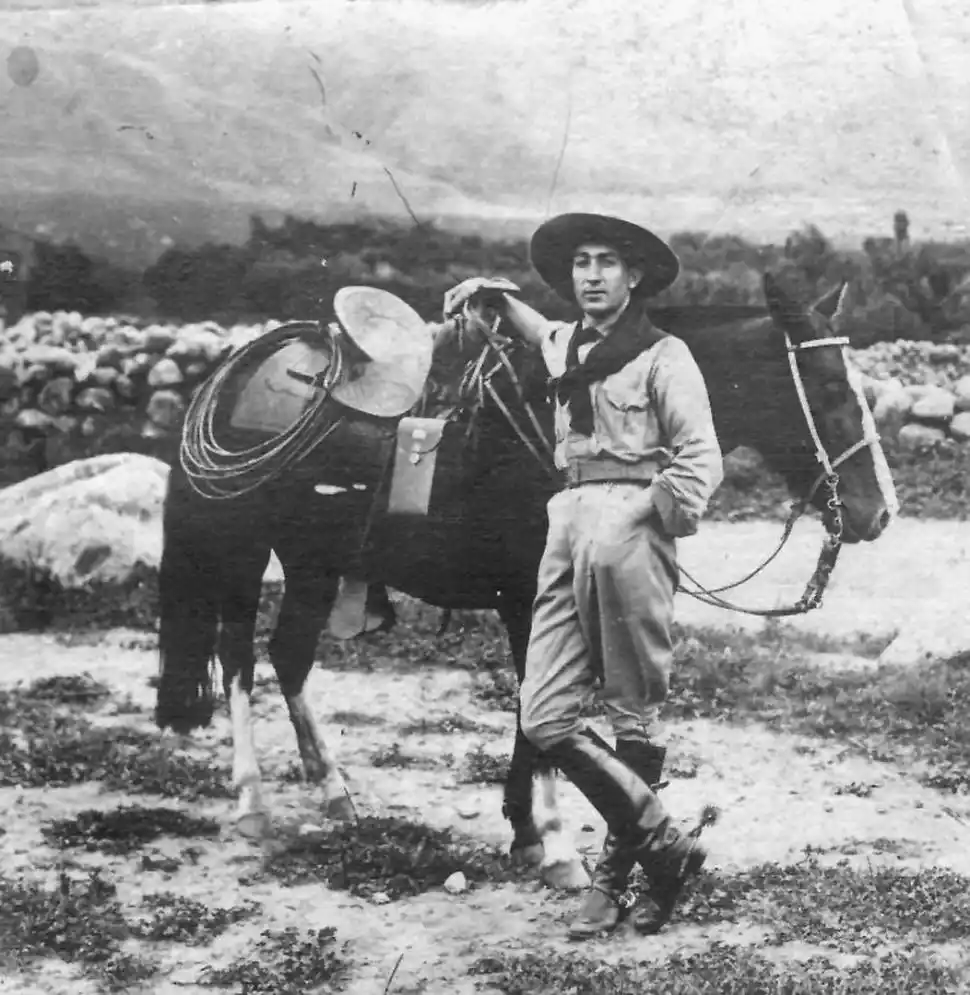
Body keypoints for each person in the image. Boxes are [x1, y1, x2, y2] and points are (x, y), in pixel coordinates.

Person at [443, 212, 724, 939]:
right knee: (543, 712)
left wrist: (638, 516)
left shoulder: (666, 356)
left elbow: (700, 460)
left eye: (606, 262)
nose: (591, 274)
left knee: (633, 709)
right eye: (580, 263)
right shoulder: (568, 341)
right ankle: (665, 839)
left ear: (634, 277)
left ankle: (616, 876)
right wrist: (495, 295)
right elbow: (541, 332)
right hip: (565, 520)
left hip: (630, 523)